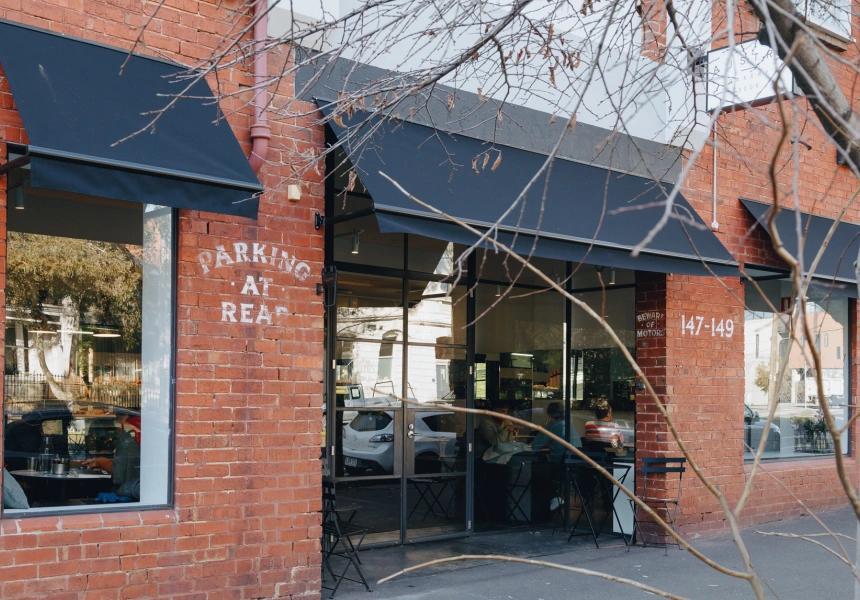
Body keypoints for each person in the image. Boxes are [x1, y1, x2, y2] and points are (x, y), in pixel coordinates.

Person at [83, 411, 140, 500]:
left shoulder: (128, 432)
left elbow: (119, 474)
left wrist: (101, 462)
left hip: (131, 492)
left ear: (126, 415)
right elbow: (130, 462)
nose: (117, 421)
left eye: (117, 417)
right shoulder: (142, 427)